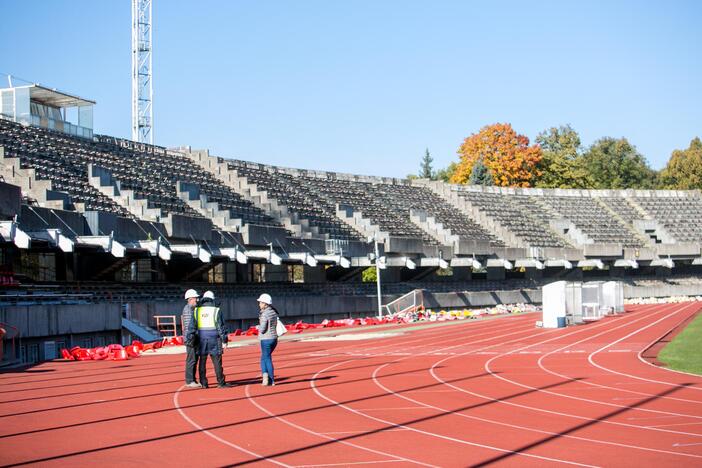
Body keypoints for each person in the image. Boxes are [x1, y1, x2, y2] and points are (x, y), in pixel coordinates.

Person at [187, 290, 229, 388]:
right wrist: (224, 340)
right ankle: (221, 382)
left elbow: (192, 326)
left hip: (201, 339)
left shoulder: (197, 310)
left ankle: (204, 383)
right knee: (217, 362)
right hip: (215, 339)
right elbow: (221, 326)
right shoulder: (216, 310)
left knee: (202, 362)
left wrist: (189, 338)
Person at [256, 293, 279, 386]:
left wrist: (258, 327)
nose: (259, 304)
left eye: (261, 302)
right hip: (274, 338)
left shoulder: (264, 314)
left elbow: (262, 329)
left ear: (265, 304)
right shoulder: (273, 312)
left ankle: (270, 379)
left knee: (267, 358)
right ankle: (266, 378)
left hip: (266, 338)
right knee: (264, 357)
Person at [182, 289, 201, 388]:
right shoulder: (189, 310)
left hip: (191, 338)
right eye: (195, 299)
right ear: (190, 299)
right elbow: (191, 326)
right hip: (191, 339)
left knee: (194, 359)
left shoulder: (190, 309)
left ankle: (192, 379)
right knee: (191, 359)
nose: (197, 300)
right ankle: (190, 380)